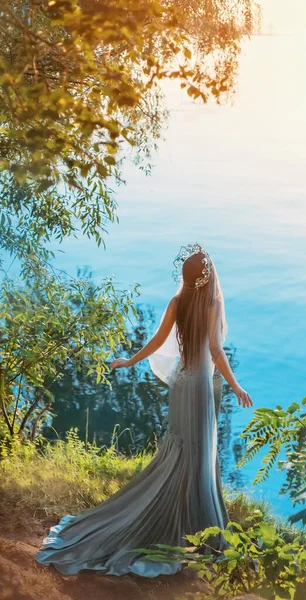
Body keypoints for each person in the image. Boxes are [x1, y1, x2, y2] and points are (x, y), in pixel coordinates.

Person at [35, 243, 253, 578]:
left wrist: (130, 360)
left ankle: (183, 513)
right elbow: (215, 349)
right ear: (208, 278)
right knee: (197, 452)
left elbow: (157, 340)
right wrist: (236, 385)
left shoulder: (177, 301)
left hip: (181, 381)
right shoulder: (212, 302)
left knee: (179, 448)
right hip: (198, 387)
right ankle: (196, 524)